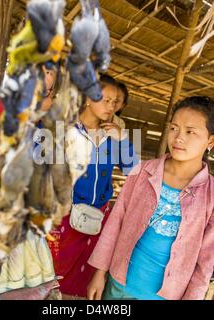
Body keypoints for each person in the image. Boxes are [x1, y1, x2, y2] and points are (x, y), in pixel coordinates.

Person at [87, 96, 214, 300]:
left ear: (211, 140)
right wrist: (100, 272)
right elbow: (116, 221)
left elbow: (205, 262)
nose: (178, 137)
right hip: (117, 286)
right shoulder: (143, 172)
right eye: (174, 128)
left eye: (190, 131)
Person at [49, 75, 139, 299]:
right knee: (56, 273)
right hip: (65, 215)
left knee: (86, 278)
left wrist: (123, 140)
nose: (111, 106)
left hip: (98, 215)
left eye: (114, 101)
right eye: (105, 100)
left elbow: (133, 170)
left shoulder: (113, 134)